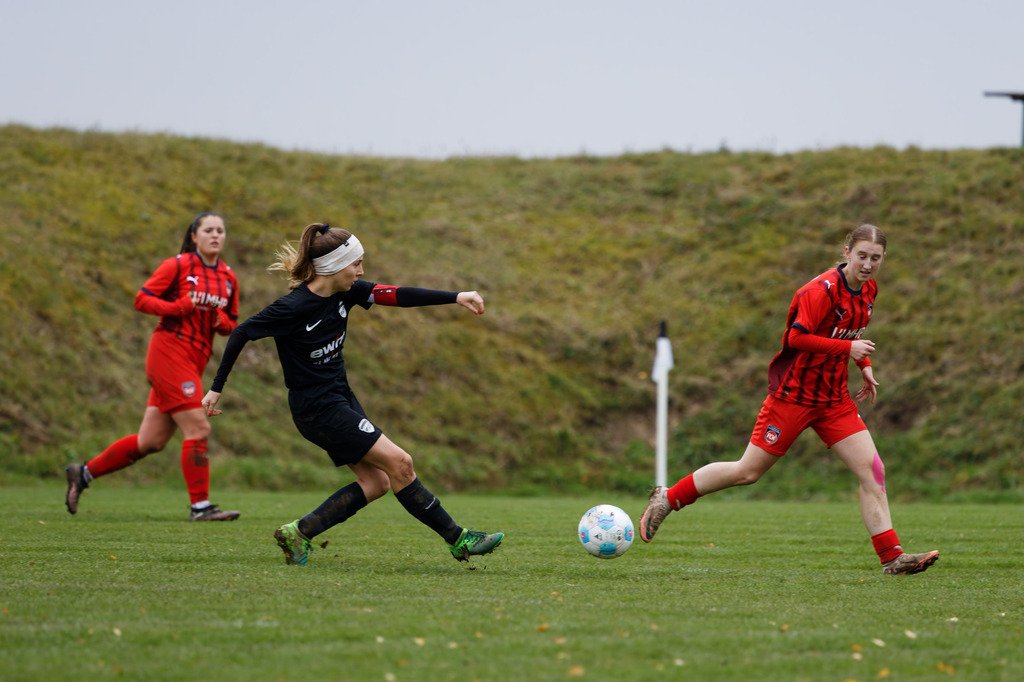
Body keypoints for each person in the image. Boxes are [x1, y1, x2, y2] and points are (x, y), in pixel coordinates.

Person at [639, 224, 939, 576]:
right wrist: (848, 349)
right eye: (862, 256)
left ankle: (892, 558)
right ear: (847, 253)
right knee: (747, 472)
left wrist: (864, 365)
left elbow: (851, 334)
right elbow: (797, 338)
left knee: (873, 472)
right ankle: (668, 498)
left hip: (833, 400)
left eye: (876, 258)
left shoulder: (869, 289)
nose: (868, 265)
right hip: (793, 396)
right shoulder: (819, 291)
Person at [201, 222, 503, 565]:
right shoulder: (294, 307)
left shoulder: (349, 292)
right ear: (333, 266)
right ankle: (459, 539)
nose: (361, 271)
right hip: (316, 408)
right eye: (356, 264)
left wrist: (455, 297)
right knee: (401, 463)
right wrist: (216, 388)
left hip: (339, 398)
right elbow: (242, 332)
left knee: (377, 482)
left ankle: (298, 533)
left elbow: (397, 295)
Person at [65, 212, 241, 521]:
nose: (215, 235)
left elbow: (232, 323)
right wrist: (178, 307)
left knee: (151, 442)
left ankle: (84, 474)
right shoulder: (178, 266)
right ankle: (200, 507)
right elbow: (142, 299)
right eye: (208, 230)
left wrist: (221, 321)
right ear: (194, 236)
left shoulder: (228, 278)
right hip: (168, 352)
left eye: (220, 230)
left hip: (194, 361)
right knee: (198, 427)